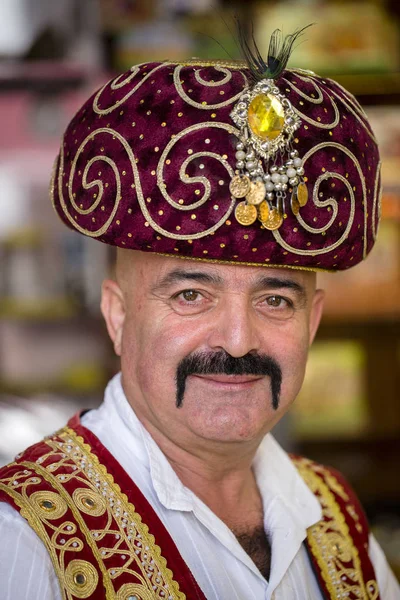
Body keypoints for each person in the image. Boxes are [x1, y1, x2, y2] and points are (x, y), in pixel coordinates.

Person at [0, 29, 399, 600]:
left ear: (312, 323)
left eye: (275, 300)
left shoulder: (336, 516)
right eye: (191, 295)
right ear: (117, 316)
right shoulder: (25, 537)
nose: (238, 341)